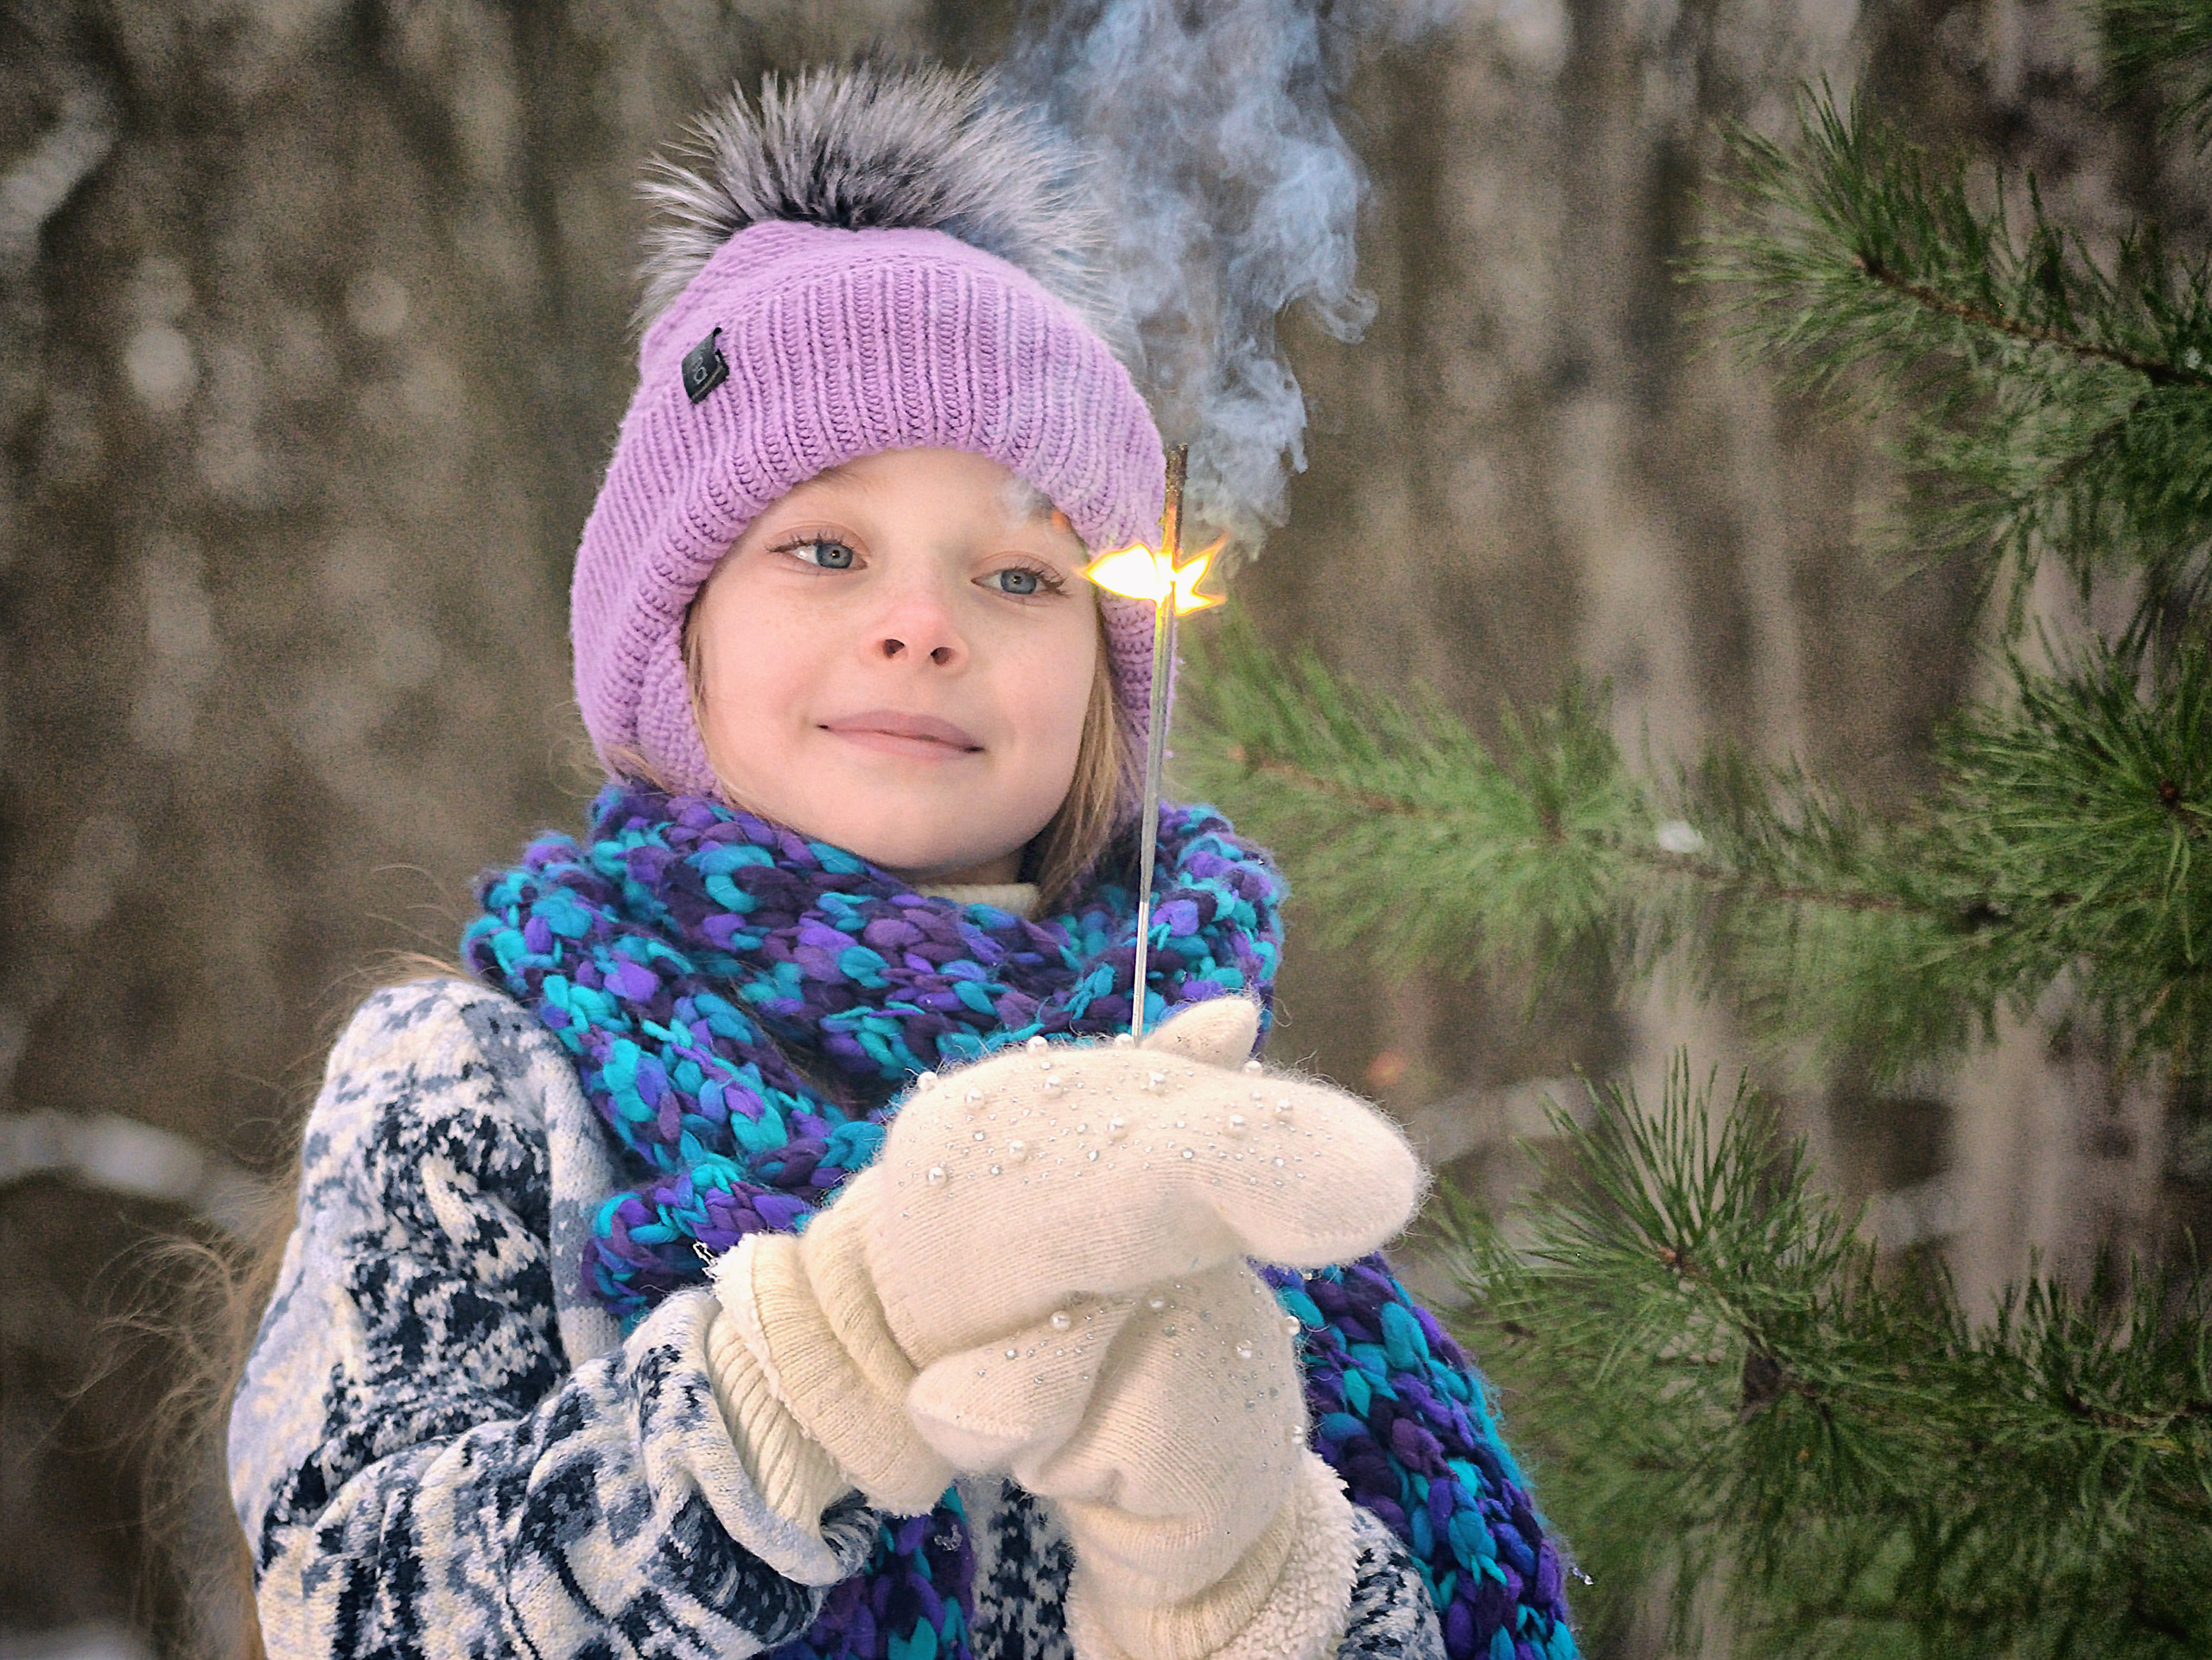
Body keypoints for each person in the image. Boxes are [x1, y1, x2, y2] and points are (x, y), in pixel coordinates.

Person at [227, 62, 1578, 1660]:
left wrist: (1231, 1576)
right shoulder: (480, 1086)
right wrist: (830, 1347)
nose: (923, 621)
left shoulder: (1206, 1142)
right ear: (679, 636)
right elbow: (357, 1606)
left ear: (1105, 680)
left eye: (1018, 574)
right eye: (824, 548)